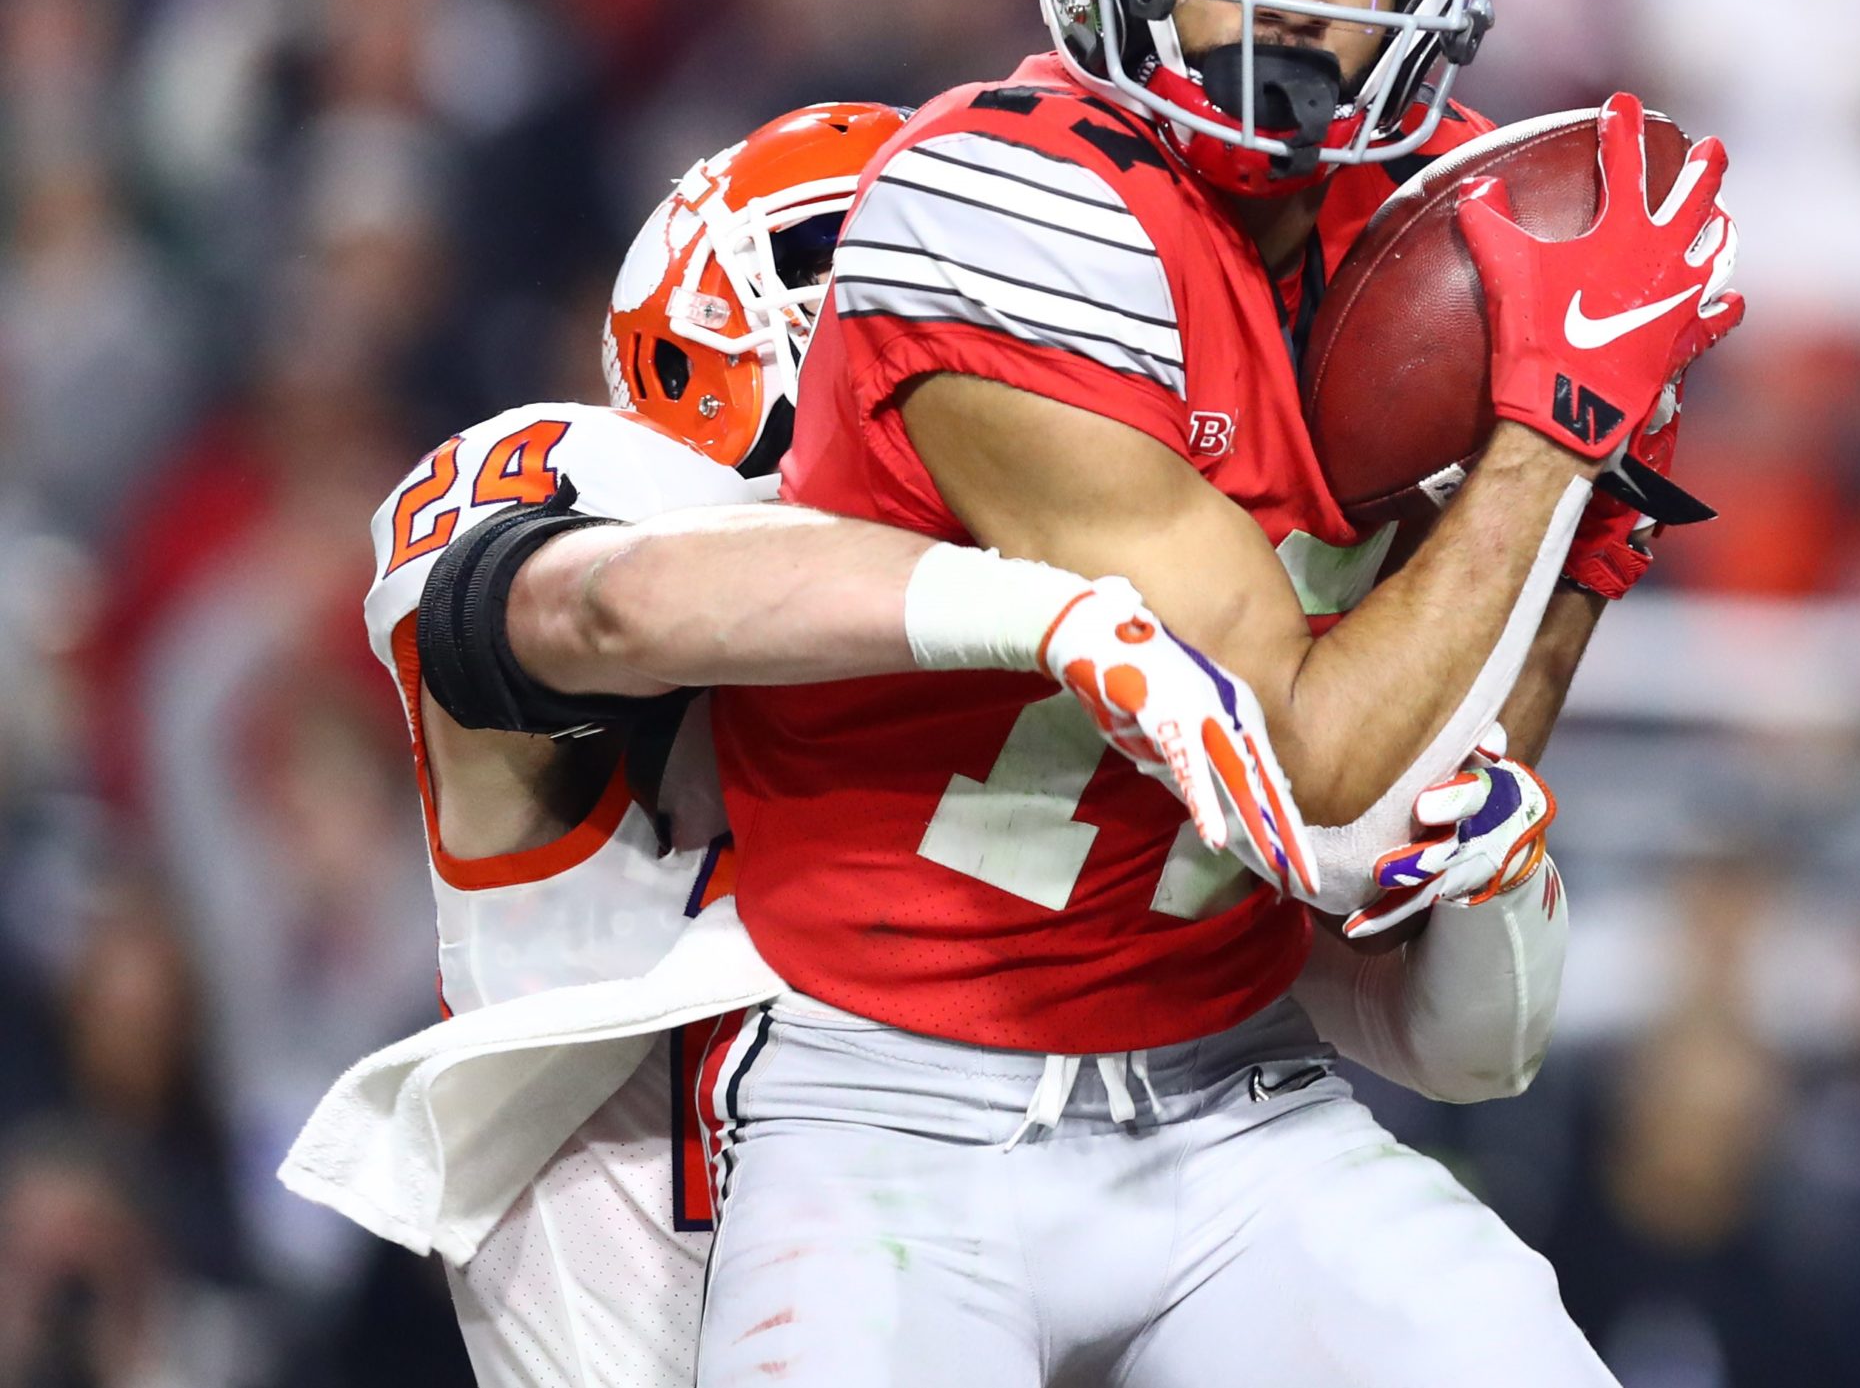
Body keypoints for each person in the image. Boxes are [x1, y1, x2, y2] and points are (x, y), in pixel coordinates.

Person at [701, 0, 1742, 1384]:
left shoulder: (1424, 250)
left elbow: (1426, 774)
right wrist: (1551, 434)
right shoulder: (996, 210)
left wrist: (1580, 529)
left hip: (1232, 1099)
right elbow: (1307, 761)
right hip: (892, 1101)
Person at [292, 98, 1574, 1388]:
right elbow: (606, 604)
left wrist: (1477, 881)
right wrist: (1044, 609)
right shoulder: (624, 527)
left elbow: (1422, 1035)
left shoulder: (1075, 656)